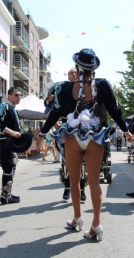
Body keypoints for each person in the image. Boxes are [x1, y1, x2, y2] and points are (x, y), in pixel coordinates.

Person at [39, 48, 132, 241]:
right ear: (93, 68)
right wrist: (126, 129)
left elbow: (55, 112)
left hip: (72, 134)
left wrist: (41, 132)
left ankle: (77, 218)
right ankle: (96, 224)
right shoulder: (103, 85)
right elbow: (115, 110)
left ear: (77, 67)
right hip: (96, 136)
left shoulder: (66, 88)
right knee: (95, 182)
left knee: (74, 180)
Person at [45, 67, 87, 201]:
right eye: (71, 73)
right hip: (66, 127)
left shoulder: (85, 87)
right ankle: (67, 187)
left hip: (83, 127)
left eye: (76, 73)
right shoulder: (60, 87)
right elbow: (48, 105)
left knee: (83, 161)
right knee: (67, 160)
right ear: (68, 76)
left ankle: (82, 189)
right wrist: (50, 100)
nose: (74, 74)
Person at [0, 87, 22, 205]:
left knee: (11, 167)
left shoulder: (12, 108)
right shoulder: (4, 106)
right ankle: (5, 197)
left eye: (20, 95)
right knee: (8, 168)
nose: (19, 97)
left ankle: (7, 193)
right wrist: (13, 133)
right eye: (16, 95)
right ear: (9, 95)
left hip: (10, 142)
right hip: (6, 141)